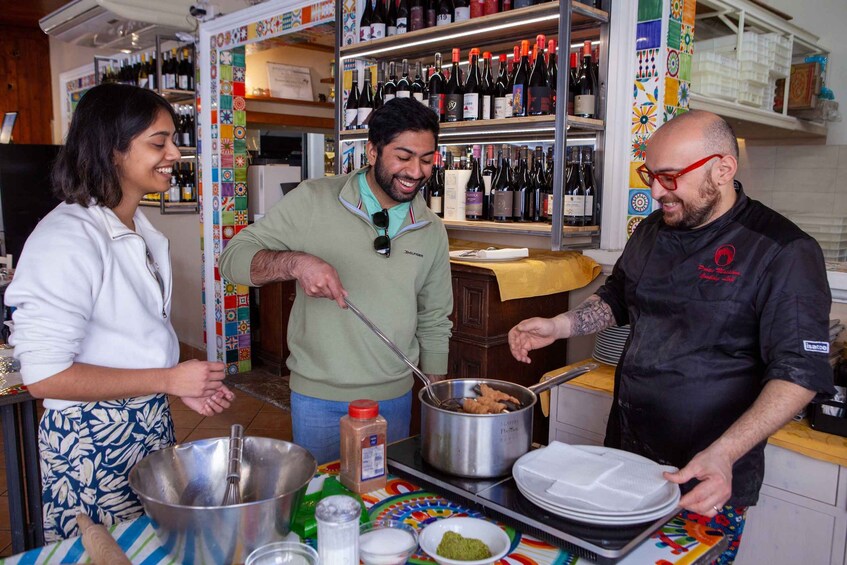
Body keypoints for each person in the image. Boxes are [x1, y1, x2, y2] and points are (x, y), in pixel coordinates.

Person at [508, 110, 834, 563]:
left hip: (706, 474)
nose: (656, 191)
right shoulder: (653, 230)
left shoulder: (784, 251)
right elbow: (618, 297)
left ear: (723, 169)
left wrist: (724, 455)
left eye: (669, 177)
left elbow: (799, 374)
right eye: (650, 175)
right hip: (624, 460)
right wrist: (558, 326)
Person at [5, 83, 235, 542]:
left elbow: (126, 338)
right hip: (90, 439)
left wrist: (172, 385)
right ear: (111, 150)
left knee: (149, 545)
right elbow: (45, 377)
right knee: (105, 550)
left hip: (146, 424)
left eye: (173, 139)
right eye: (158, 142)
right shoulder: (67, 237)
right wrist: (169, 379)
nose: (175, 152)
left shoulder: (141, 231)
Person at [219, 97, 452, 464]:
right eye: (403, 157)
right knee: (324, 505)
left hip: (395, 396)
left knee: (384, 502)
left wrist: (436, 396)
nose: (416, 171)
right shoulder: (312, 199)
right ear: (372, 151)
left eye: (427, 159)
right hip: (318, 398)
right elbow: (232, 260)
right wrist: (295, 263)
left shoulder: (431, 228)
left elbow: (435, 317)